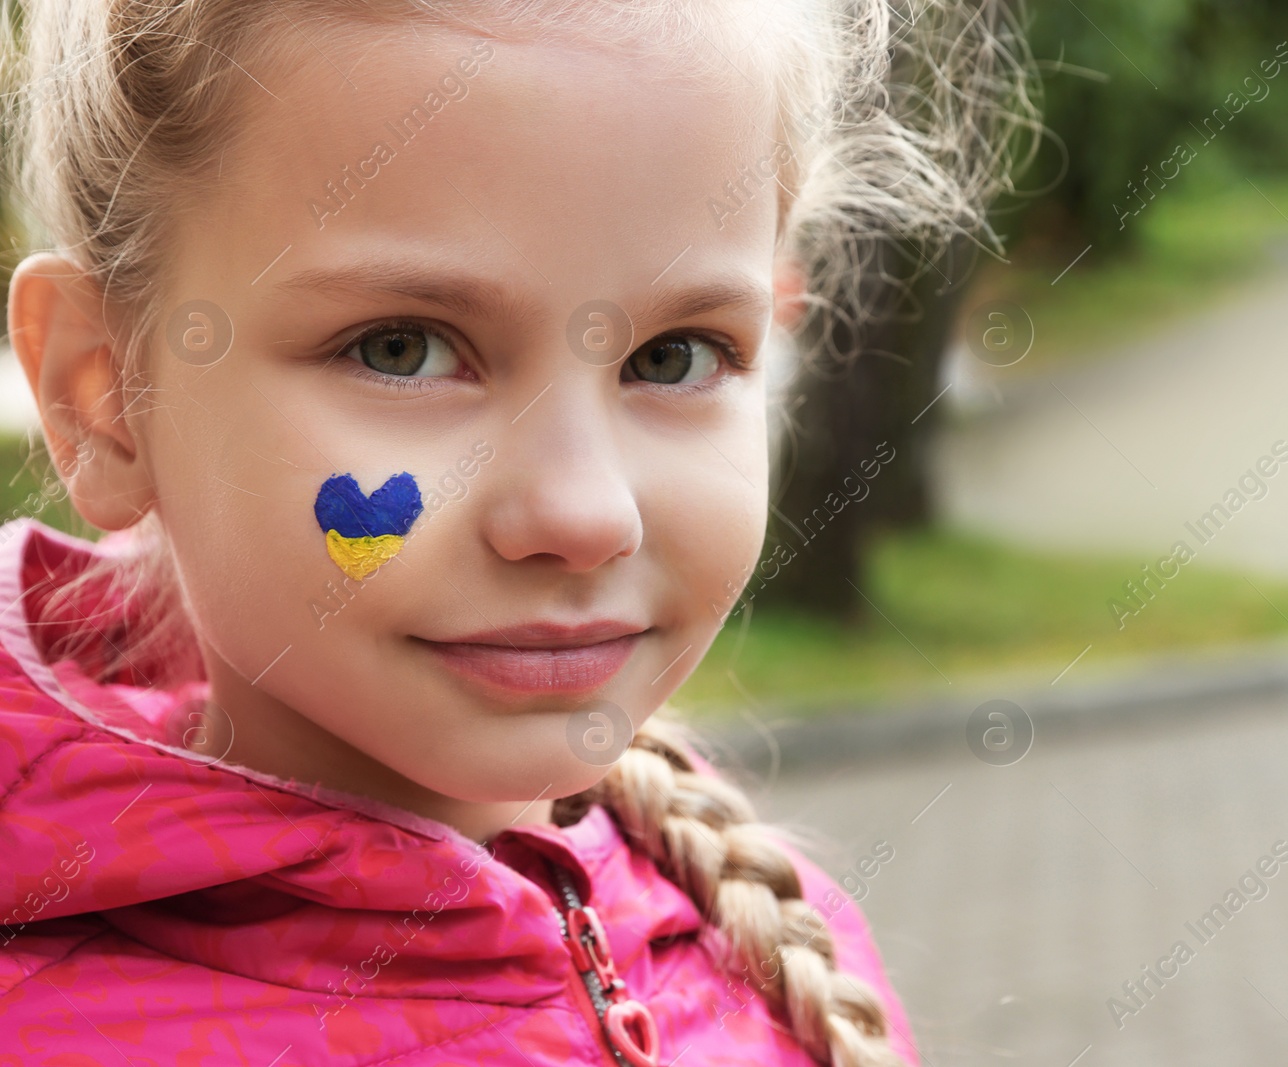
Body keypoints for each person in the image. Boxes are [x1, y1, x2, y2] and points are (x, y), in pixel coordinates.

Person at [0, 1, 1030, 1063]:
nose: (583, 515)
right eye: (402, 348)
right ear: (104, 396)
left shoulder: (778, 948)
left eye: (675, 355)